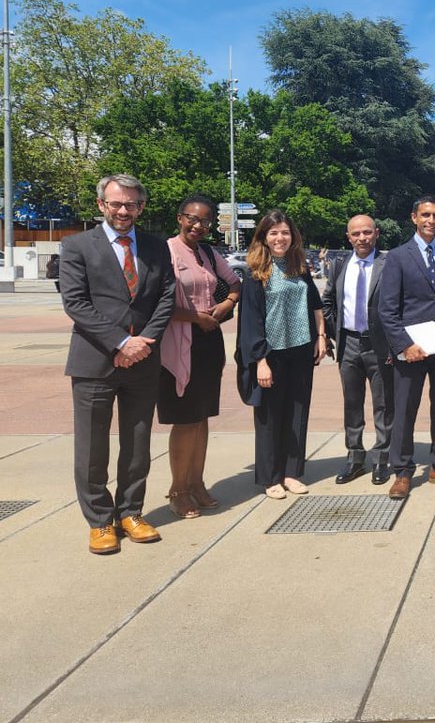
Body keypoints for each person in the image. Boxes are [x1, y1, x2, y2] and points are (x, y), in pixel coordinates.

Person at [60, 174, 175, 555]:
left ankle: (131, 512)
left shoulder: (157, 248)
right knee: (92, 446)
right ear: (101, 205)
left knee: (138, 443)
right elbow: (76, 303)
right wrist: (121, 341)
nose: (124, 211)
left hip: (143, 361)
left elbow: (166, 299)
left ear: (141, 207)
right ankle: (99, 521)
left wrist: (143, 342)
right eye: (116, 204)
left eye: (131, 204)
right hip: (95, 361)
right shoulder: (77, 246)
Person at [378, 196, 435, 499]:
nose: (431, 220)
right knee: (405, 411)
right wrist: (405, 345)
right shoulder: (398, 257)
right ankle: (402, 472)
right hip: (412, 349)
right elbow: (387, 310)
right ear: (414, 218)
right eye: (425, 215)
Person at [159, 195, 242, 519]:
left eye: (205, 221)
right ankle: (178, 490)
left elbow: (235, 284)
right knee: (185, 419)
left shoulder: (207, 253)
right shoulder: (165, 251)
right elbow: (157, 302)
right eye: (192, 218)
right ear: (180, 218)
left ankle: (196, 482)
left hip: (208, 341)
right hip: (178, 342)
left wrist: (226, 305)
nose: (198, 225)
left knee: (203, 415)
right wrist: (195, 318)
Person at [236, 210, 325, 500]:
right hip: (271, 354)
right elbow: (250, 320)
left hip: (300, 349)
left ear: (293, 236)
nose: (280, 238)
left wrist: (321, 336)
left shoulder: (299, 267)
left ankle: (291, 472)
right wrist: (259, 360)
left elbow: (315, 303)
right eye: (273, 233)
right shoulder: (255, 273)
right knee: (269, 417)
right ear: (263, 237)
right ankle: (270, 476)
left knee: (297, 413)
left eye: (285, 232)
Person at [323, 214, 395, 486]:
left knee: (384, 405)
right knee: (352, 404)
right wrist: (333, 333)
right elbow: (328, 300)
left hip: (379, 345)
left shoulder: (387, 264)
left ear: (376, 233)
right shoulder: (340, 264)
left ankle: (381, 458)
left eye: (367, 232)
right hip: (349, 344)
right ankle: (354, 457)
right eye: (356, 234)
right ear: (348, 236)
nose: (362, 238)